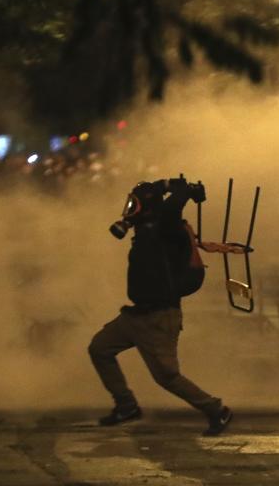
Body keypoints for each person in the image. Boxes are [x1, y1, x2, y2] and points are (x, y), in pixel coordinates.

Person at [88, 176, 232, 435]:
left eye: (135, 205)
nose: (130, 210)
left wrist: (182, 190)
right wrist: (164, 186)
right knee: (100, 348)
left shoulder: (167, 226)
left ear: (149, 206)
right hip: (136, 315)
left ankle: (215, 410)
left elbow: (173, 206)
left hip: (159, 317)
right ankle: (126, 405)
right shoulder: (147, 229)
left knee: (167, 376)